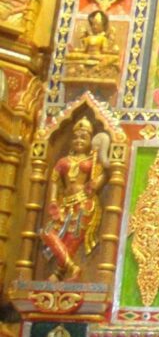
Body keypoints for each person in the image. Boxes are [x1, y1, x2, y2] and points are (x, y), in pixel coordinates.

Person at [39, 116, 109, 281]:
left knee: (74, 238)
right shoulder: (64, 161)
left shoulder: (92, 159)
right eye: (76, 137)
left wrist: (96, 183)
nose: (78, 140)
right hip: (65, 204)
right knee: (47, 232)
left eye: (83, 137)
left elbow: (106, 172)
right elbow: (54, 180)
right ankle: (72, 267)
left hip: (85, 202)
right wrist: (53, 202)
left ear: (90, 140)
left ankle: (59, 273)